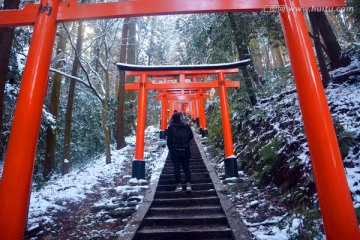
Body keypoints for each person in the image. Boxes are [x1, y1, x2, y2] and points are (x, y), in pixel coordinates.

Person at [167, 113, 194, 192]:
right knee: (186, 167)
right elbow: (191, 136)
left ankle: (179, 185)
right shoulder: (186, 125)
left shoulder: (171, 127)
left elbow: (169, 141)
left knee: (177, 168)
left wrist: (171, 150)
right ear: (180, 118)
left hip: (175, 151)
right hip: (186, 150)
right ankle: (188, 184)